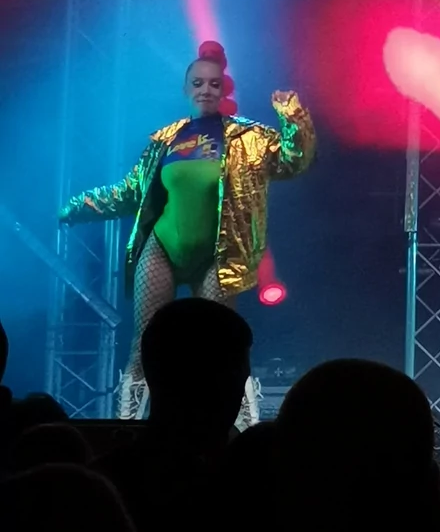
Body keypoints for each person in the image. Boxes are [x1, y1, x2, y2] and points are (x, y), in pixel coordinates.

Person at [59, 41, 315, 425]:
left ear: (224, 89)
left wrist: (291, 113)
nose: (206, 90)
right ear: (186, 89)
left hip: (218, 254)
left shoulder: (249, 138)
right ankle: (126, 426)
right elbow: (129, 193)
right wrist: (75, 207)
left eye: (214, 84)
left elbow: (295, 161)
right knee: (145, 339)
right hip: (163, 245)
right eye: (198, 83)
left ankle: (242, 427)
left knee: (220, 342)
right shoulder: (165, 140)